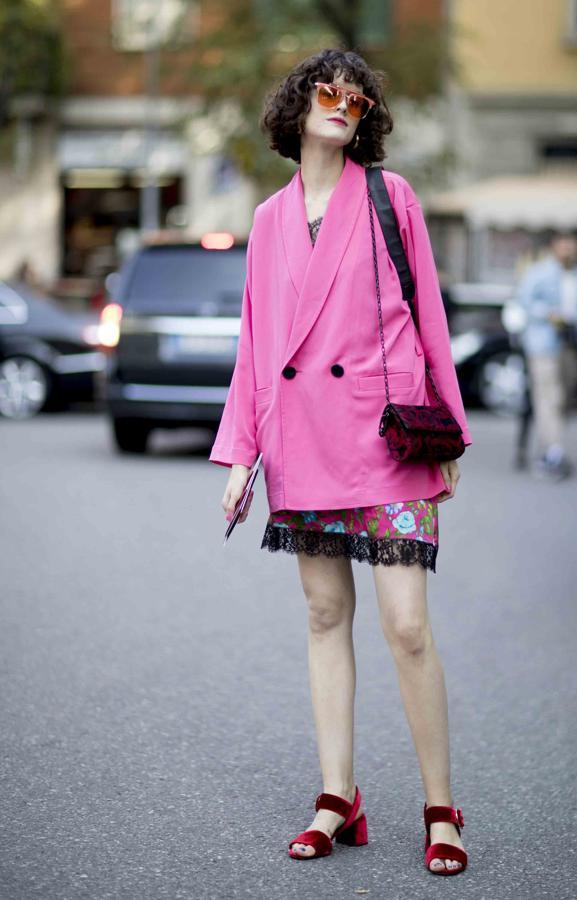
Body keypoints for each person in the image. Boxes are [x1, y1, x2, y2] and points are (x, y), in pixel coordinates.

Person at [209, 49, 472, 876]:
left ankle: (439, 807)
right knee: (325, 617)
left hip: (389, 440)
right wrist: (240, 453)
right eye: (329, 91)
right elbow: (256, 345)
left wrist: (452, 431)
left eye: (357, 98)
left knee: (407, 626)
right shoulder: (265, 221)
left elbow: (430, 314)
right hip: (303, 439)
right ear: (298, 107)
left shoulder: (394, 199)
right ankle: (337, 796)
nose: (344, 104)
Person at [516, 232, 577, 480]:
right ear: (555, 246)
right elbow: (525, 301)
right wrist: (549, 314)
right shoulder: (539, 273)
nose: (569, 249)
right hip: (544, 343)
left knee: (564, 396)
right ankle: (553, 451)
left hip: (571, 345)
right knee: (547, 395)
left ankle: (552, 442)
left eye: (573, 245)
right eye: (565, 245)